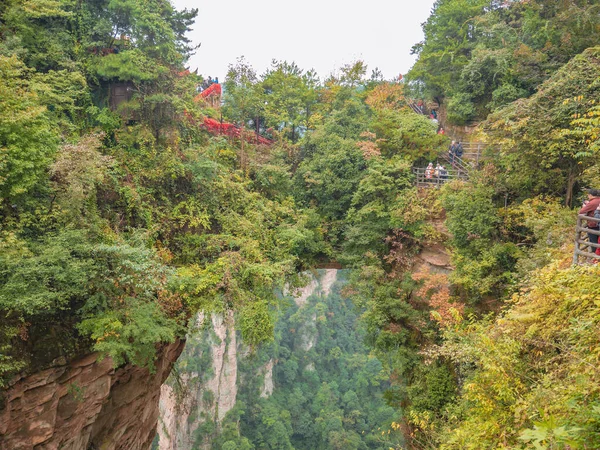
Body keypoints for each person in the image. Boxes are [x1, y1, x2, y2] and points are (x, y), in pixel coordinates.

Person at [578, 188, 600, 253]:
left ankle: (595, 257)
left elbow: (581, 212)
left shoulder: (592, 203)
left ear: (590, 195)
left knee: (594, 243)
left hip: (594, 225)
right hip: (597, 224)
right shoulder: (597, 201)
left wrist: (584, 206)